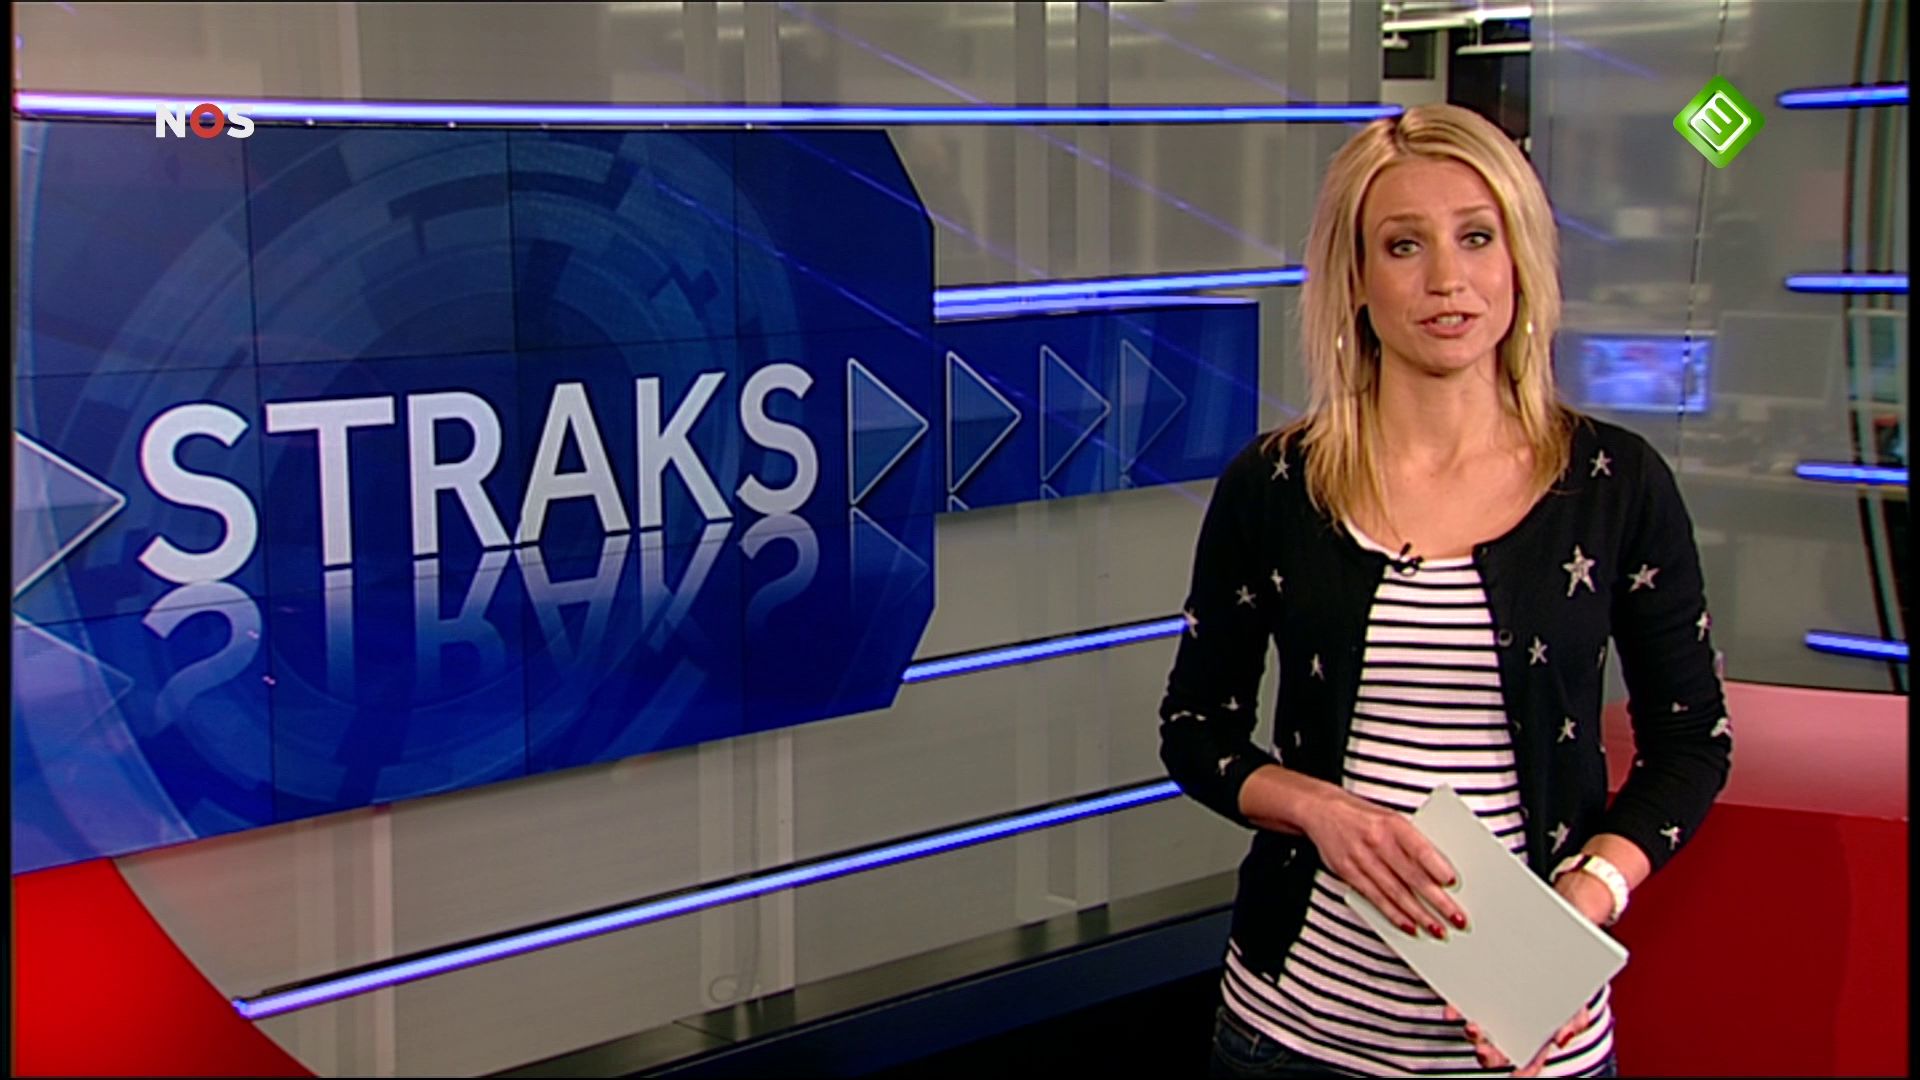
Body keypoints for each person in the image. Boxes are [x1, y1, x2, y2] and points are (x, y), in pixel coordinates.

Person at [1158, 103, 1732, 1079]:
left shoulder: (1616, 484)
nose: (1446, 280)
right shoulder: (1276, 485)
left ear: (1520, 259)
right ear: (1355, 276)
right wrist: (1318, 810)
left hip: (1531, 1036)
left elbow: (1692, 742)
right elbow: (1193, 729)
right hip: (1294, 1034)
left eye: (1476, 237)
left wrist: (1587, 896)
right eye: (1403, 245)